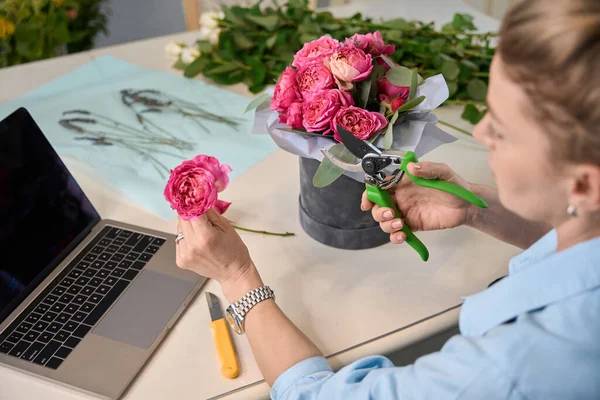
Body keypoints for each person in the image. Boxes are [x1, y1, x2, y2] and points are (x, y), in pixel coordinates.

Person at [174, 0, 600, 398]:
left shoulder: (516, 366)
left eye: (504, 129)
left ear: (583, 184)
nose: (482, 133)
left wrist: (237, 276)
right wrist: (471, 207)